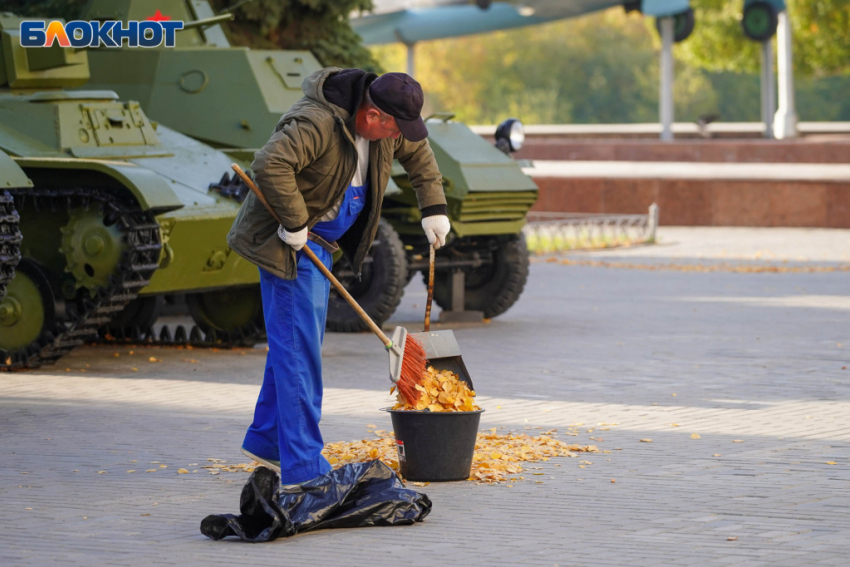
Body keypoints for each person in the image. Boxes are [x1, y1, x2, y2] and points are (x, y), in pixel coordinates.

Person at [227, 68, 451, 485]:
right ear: (373, 115)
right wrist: (294, 223)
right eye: (394, 128)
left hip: (322, 248)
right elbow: (270, 163)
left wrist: (433, 207)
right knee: (300, 355)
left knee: (293, 346)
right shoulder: (316, 122)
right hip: (290, 245)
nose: (398, 136)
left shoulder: (390, 125)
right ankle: (304, 466)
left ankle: (269, 440)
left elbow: (420, 153)